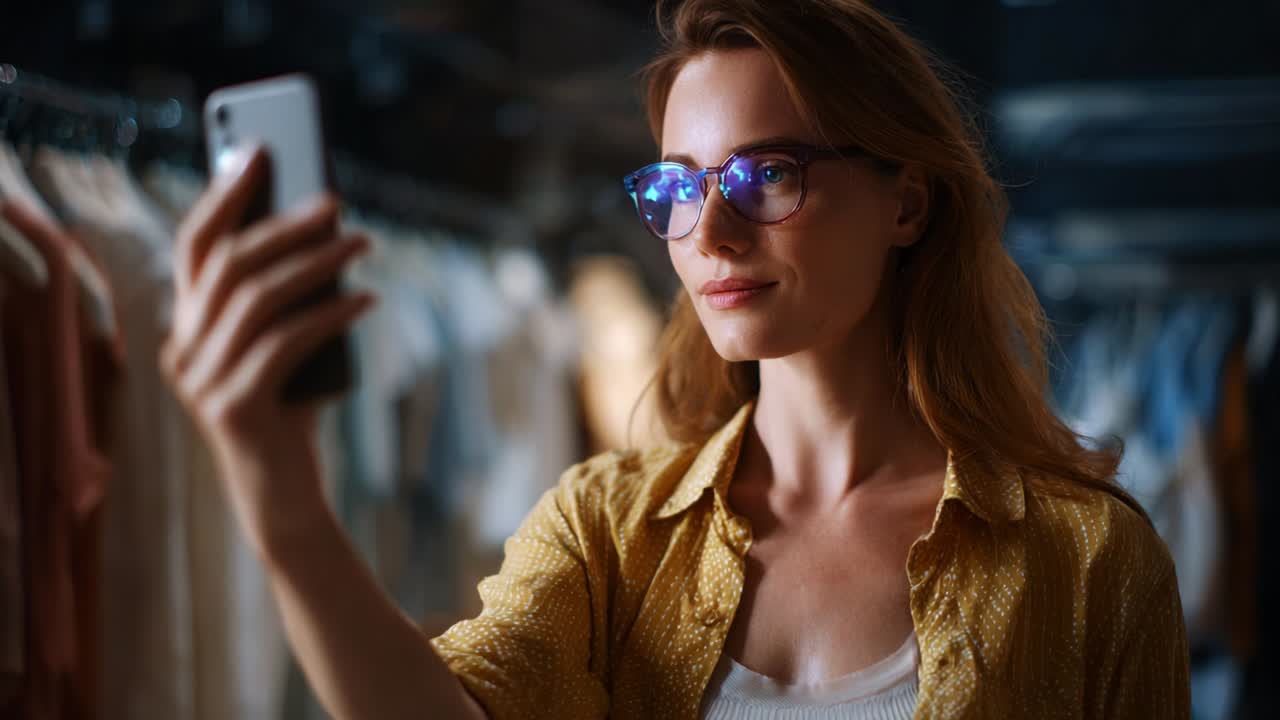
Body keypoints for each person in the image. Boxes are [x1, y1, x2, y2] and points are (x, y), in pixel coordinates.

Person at [158, 1, 1191, 718]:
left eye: (764, 175)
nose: (711, 233)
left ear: (906, 203)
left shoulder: (1084, 559)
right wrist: (281, 505)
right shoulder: (606, 529)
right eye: (676, 188)